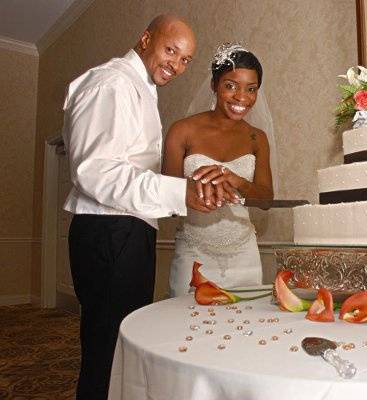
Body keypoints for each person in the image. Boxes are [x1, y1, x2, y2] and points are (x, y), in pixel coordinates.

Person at [62, 15, 232, 400]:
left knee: (119, 350)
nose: (176, 64)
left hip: (126, 232)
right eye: (170, 50)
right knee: (107, 353)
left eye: (186, 59)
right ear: (145, 39)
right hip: (109, 232)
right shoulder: (113, 83)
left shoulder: (140, 88)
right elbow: (95, 172)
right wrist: (179, 193)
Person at [164, 43, 275, 296]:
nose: (241, 98)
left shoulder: (257, 138)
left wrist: (237, 181)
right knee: (186, 326)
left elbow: (266, 200)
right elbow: (166, 200)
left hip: (244, 255)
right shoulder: (182, 131)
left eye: (251, 89)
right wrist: (195, 194)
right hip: (194, 252)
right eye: (230, 85)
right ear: (214, 84)